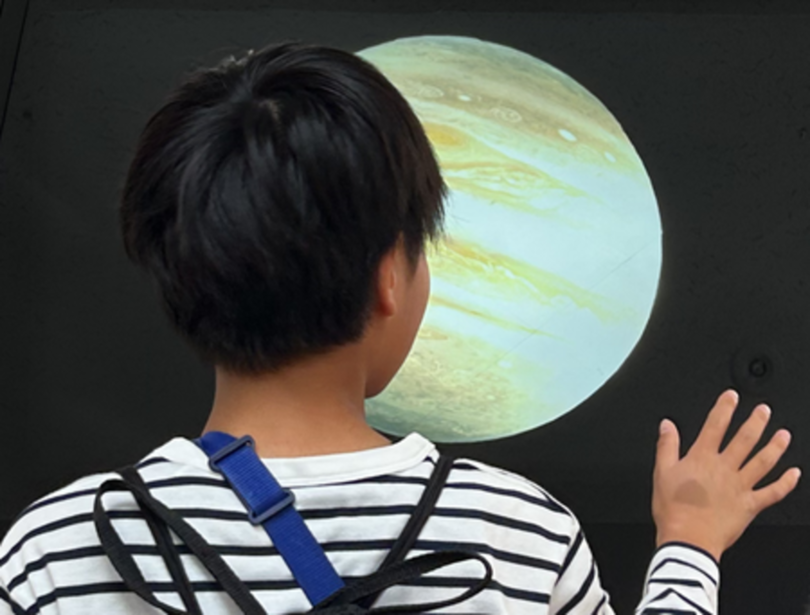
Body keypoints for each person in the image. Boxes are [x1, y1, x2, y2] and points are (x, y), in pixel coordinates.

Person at [0, 42, 801, 615]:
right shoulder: (512, 535)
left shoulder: (62, 548)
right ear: (390, 272)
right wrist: (690, 541)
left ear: (178, 271)